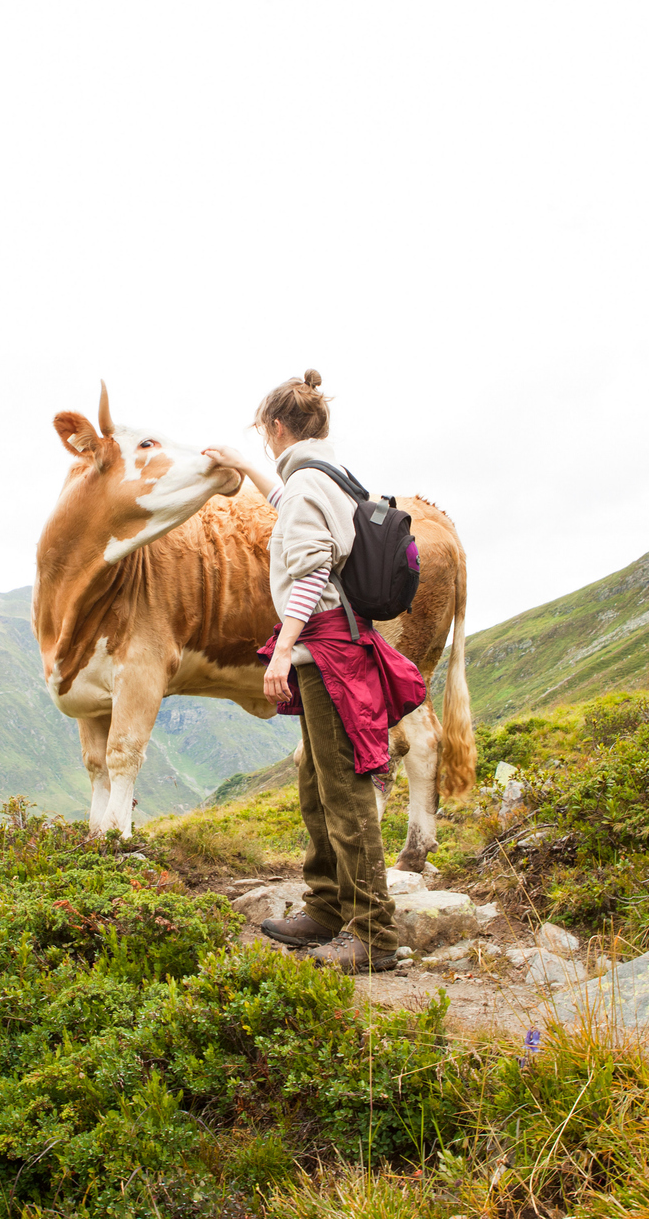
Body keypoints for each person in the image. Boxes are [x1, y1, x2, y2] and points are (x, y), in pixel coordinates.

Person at [204, 370, 423, 974]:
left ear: (277, 427)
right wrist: (249, 468)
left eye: (262, 436)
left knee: (344, 792)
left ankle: (374, 935)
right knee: (316, 785)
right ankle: (327, 907)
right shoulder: (331, 478)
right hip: (343, 646)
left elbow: (309, 573)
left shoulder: (307, 485)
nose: (266, 445)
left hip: (324, 650)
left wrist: (281, 651)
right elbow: (295, 516)